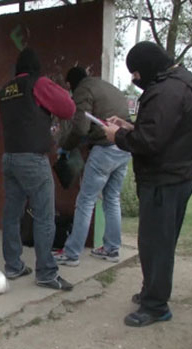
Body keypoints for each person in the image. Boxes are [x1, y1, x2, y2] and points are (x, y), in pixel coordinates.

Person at [102, 41, 192, 327]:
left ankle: (156, 306)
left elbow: (150, 142)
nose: (135, 80)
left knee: (155, 243)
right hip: (176, 175)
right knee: (160, 241)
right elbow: (161, 130)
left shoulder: (167, 90)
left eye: (135, 74)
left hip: (165, 180)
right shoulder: (177, 82)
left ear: (146, 68)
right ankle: (152, 291)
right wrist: (129, 126)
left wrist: (117, 137)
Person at [0, 48, 76, 291]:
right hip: (32, 159)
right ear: (35, 67)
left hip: (10, 158)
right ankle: (46, 272)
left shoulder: (5, 90)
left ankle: (13, 265)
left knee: (12, 214)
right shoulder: (38, 83)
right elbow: (68, 109)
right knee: (44, 216)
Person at [52, 67, 131, 267]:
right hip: (124, 146)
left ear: (70, 85)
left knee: (86, 201)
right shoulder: (107, 86)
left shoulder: (83, 90)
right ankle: (112, 249)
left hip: (104, 149)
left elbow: (80, 127)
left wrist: (65, 147)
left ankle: (71, 253)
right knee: (112, 199)